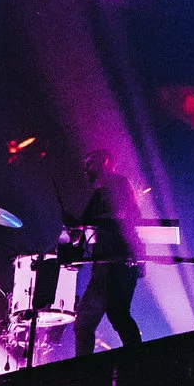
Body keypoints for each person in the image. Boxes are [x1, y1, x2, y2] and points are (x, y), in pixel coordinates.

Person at [72, 148, 144, 356]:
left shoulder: (120, 184)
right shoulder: (98, 195)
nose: (87, 168)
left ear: (104, 161)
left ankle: (139, 361)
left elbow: (126, 216)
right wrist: (74, 228)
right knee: (84, 323)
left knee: (117, 314)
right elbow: (81, 228)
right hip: (103, 266)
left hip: (120, 262)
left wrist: (82, 225)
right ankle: (83, 371)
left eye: (90, 162)